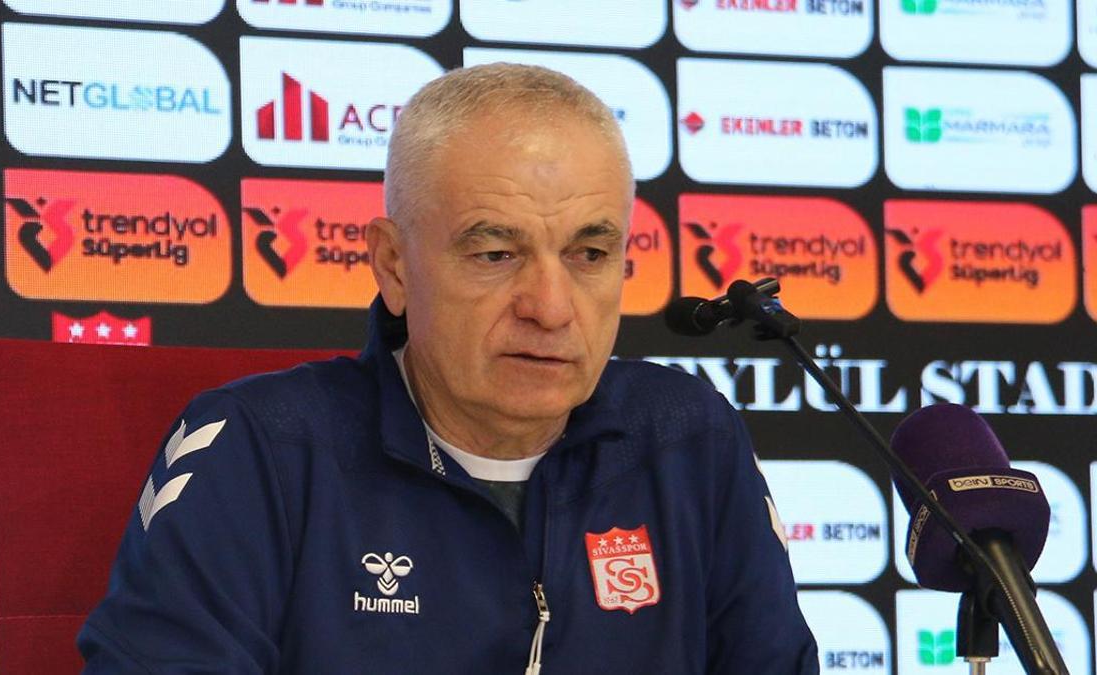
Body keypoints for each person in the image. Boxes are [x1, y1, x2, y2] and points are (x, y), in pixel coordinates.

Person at [78, 63, 819, 673]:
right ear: (393, 265)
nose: (551, 307)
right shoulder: (255, 450)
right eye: (496, 253)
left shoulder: (689, 441)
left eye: (590, 254)